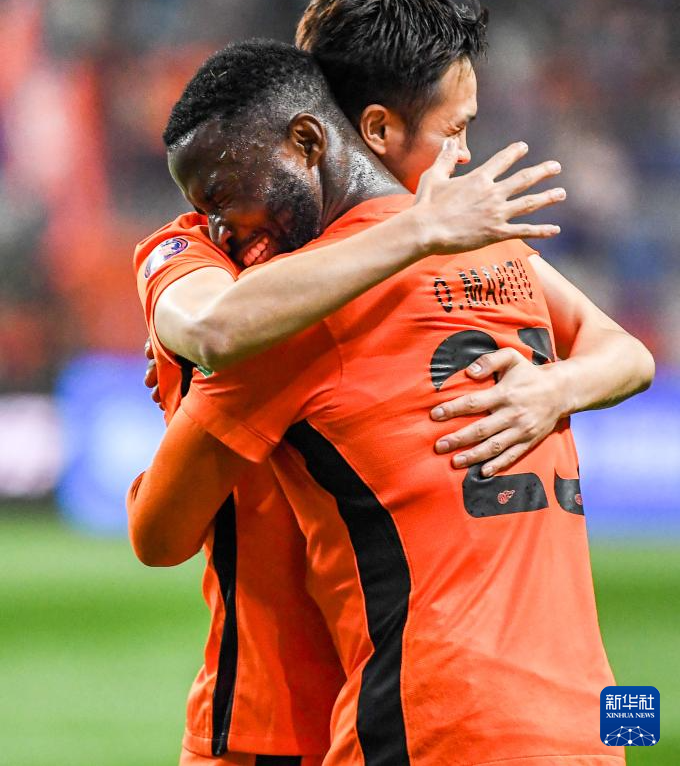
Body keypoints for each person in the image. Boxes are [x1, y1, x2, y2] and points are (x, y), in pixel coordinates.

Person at [129, 39, 653, 765]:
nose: (460, 160)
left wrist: (553, 387)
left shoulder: (303, 307)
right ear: (368, 128)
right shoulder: (486, 253)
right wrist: (422, 232)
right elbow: (215, 325)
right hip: (596, 721)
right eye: (451, 130)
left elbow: (157, 534)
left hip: (404, 714)